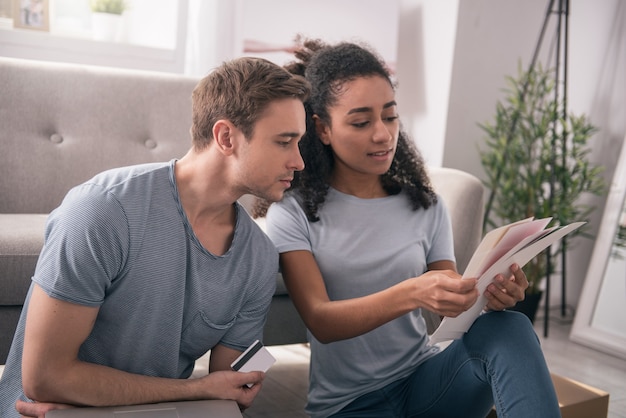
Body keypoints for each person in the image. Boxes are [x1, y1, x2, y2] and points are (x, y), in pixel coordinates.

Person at [260, 39, 561, 418]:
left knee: (510, 328)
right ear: (321, 128)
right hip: (349, 407)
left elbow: (453, 310)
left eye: (389, 116)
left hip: (427, 385)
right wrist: (412, 292)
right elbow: (321, 320)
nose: (383, 134)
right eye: (361, 121)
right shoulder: (293, 212)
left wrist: (490, 296)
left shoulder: (426, 206)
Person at [0, 56, 310, 418]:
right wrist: (194, 391)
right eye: (284, 142)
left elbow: (228, 389)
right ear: (226, 137)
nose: (299, 161)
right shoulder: (104, 209)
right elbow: (46, 379)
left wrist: (216, 393)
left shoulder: (257, 257)